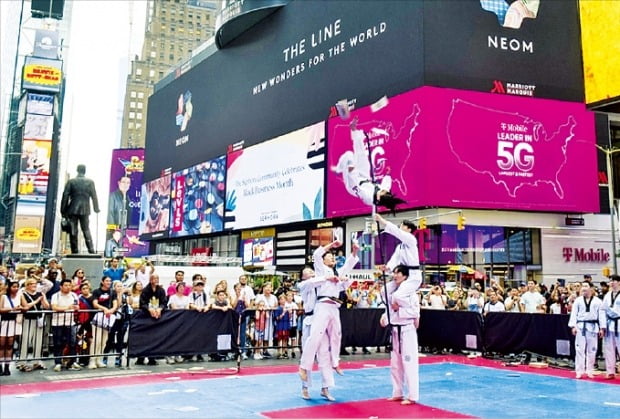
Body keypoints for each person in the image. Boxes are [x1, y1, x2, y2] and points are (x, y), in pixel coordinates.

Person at [298, 240, 359, 395]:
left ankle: (334, 366)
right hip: (315, 314)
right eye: (330, 256)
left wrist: (354, 252)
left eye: (333, 257)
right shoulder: (316, 276)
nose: (332, 258)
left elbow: (347, 267)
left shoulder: (334, 274)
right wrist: (331, 245)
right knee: (313, 342)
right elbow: (317, 255)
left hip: (332, 307)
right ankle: (304, 371)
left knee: (335, 338)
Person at [332, 116, 405, 213]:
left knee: (349, 156)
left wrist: (351, 171)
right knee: (362, 154)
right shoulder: (384, 192)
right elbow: (386, 184)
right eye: (384, 191)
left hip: (354, 182)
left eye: (382, 192)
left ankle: (338, 169)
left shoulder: (368, 197)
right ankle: (353, 129)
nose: (383, 190)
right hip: (365, 177)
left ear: (379, 199)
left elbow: (354, 186)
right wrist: (387, 173)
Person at [380, 265, 420, 405]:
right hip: (395, 330)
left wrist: (400, 309)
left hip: (407, 330)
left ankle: (412, 395)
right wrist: (385, 318)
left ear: (405, 276)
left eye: (398, 273)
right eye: (394, 273)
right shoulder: (394, 292)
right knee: (395, 364)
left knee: (409, 363)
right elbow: (390, 310)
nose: (395, 275)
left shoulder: (411, 294)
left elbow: (415, 314)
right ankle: (397, 392)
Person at [297, 268, 336, 400]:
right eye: (308, 272)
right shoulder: (303, 285)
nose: (312, 273)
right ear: (303, 276)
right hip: (309, 320)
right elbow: (312, 282)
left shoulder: (321, 285)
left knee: (325, 354)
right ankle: (305, 387)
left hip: (322, 320)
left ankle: (326, 387)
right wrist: (325, 277)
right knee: (308, 354)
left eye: (312, 271)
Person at [374, 213, 422, 293]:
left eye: (403, 226)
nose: (400, 228)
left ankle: (412, 305)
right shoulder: (399, 247)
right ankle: (392, 305)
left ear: (409, 229)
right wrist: (388, 267)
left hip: (413, 275)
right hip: (402, 274)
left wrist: (382, 221)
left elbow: (398, 233)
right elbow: (394, 260)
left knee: (399, 295)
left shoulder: (412, 240)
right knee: (384, 291)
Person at [568, 282, 605, 379]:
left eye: (586, 286)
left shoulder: (598, 301)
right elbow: (574, 314)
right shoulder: (578, 301)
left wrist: (602, 328)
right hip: (580, 326)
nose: (583, 288)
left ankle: (589, 370)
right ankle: (579, 371)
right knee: (579, 349)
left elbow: (601, 315)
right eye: (582, 286)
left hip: (593, 327)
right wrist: (573, 326)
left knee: (592, 350)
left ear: (591, 288)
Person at [60, 164, 100, 254]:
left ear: (77, 170)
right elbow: (94, 196)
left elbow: (65, 196)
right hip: (85, 209)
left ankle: (75, 251)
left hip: (72, 209)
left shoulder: (71, 182)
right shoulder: (90, 182)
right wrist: (96, 208)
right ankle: (91, 250)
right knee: (86, 229)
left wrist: (63, 210)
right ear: (84, 171)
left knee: (73, 230)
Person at [50, 278, 82, 372]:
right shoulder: (55, 296)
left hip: (71, 322)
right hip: (57, 322)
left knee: (72, 343)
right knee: (58, 343)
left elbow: (77, 306)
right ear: (61, 286)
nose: (68, 287)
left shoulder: (74, 295)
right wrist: (68, 308)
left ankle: (72, 362)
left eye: (70, 285)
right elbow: (54, 307)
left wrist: (76, 308)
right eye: (66, 285)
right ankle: (58, 362)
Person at [19, 277, 50, 372]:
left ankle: (37, 360)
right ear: (27, 285)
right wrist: (37, 301)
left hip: (38, 319)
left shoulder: (40, 294)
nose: (34, 285)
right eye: (32, 283)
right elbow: (26, 306)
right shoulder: (23, 294)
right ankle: (22, 362)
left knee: (38, 340)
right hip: (28, 319)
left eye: (35, 283)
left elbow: (47, 306)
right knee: (25, 339)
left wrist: (43, 299)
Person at [138, 273, 167, 366]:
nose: (156, 280)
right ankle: (140, 358)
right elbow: (142, 303)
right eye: (154, 279)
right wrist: (149, 309)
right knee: (144, 338)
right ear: (150, 280)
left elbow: (164, 302)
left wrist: (159, 309)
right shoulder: (145, 290)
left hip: (157, 316)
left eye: (157, 278)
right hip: (146, 316)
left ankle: (152, 358)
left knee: (155, 337)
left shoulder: (161, 290)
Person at [89, 276, 117, 369]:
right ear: (102, 282)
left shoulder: (113, 292)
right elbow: (95, 304)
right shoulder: (97, 291)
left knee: (104, 341)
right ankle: (92, 360)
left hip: (108, 317)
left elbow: (115, 304)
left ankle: (99, 359)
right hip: (98, 316)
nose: (109, 282)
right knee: (96, 340)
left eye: (110, 281)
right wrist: (104, 308)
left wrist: (111, 310)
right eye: (107, 281)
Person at [0, 280, 22, 375]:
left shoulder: (20, 296)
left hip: (13, 322)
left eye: (17, 287)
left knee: (10, 346)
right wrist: (12, 309)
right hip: (3, 322)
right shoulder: (4, 296)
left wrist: (21, 308)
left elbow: (25, 307)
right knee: (1, 345)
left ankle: (7, 367)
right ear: (9, 287)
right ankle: (0, 366)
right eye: (14, 286)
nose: (16, 288)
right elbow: (0, 309)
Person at [601, 274, 620, 379]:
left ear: (619, 282)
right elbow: (602, 311)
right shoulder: (607, 295)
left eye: (614, 281)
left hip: (619, 322)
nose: (611, 283)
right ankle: (610, 371)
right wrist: (603, 326)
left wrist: (609, 309)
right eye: (610, 281)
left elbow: (609, 309)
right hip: (610, 324)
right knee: (609, 349)